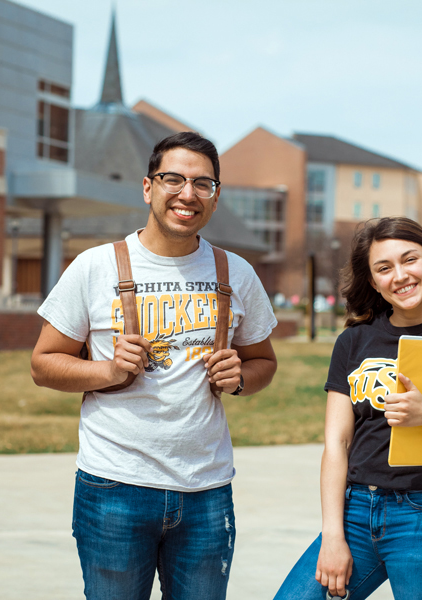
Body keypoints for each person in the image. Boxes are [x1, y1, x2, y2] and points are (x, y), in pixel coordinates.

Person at [30, 132, 278, 600]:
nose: (188, 194)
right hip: (113, 488)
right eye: (174, 179)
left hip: (206, 490)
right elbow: (43, 364)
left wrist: (242, 377)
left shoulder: (237, 273)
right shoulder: (95, 267)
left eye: (203, 183)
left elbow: (264, 362)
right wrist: (106, 371)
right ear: (148, 187)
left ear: (215, 196)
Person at [274, 217, 422, 600]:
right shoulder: (353, 341)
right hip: (354, 512)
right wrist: (333, 536)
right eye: (384, 268)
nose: (400, 275)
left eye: (409, 260)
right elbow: (337, 444)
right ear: (372, 281)